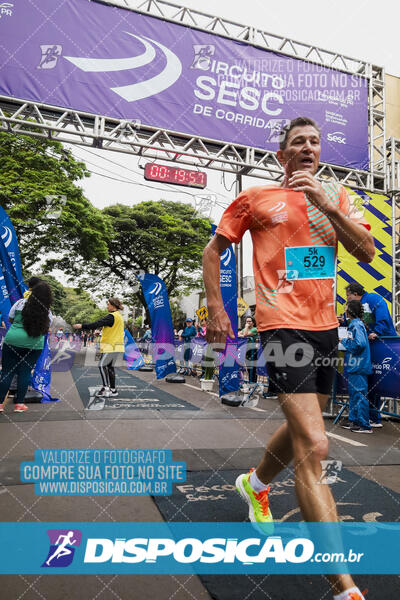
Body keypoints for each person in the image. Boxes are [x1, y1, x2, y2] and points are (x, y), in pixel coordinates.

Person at [202, 116, 374, 600]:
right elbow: (212, 252)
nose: (307, 148)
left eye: (314, 142)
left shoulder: (338, 197)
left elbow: (365, 251)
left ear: (321, 153)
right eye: (297, 142)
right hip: (280, 324)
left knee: (305, 426)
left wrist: (325, 204)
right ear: (282, 156)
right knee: (316, 446)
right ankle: (344, 587)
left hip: (325, 328)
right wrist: (218, 310)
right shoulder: (256, 199)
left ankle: (255, 482)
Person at [345, 281, 397, 427]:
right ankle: (371, 417)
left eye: (348, 295)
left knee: (377, 380)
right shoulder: (357, 312)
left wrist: (377, 332)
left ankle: (372, 418)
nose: (347, 298)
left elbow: (383, 319)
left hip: (384, 343)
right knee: (371, 382)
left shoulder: (373, 298)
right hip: (371, 343)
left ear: (355, 294)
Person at [0, 281, 53, 413]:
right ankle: (19, 405)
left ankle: (0, 404)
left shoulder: (19, 303)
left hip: (13, 341)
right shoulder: (47, 310)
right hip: (34, 345)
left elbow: (10, 318)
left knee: (7, 372)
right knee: (25, 372)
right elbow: (48, 326)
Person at [74, 297, 124, 398]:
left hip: (111, 347)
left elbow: (96, 324)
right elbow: (112, 329)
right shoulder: (118, 316)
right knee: (110, 368)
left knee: (102, 365)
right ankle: (113, 390)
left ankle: (106, 389)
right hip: (116, 346)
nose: (107, 306)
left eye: (108, 304)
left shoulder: (111, 316)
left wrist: (81, 326)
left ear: (113, 306)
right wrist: (100, 333)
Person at [340, 300, 373, 433]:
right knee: (354, 395)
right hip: (355, 365)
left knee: (359, 395)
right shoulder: (355, 324)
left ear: (350, 311)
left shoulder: (356, 325)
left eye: (346, 308)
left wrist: (344, 341)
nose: (344, 311)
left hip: (359, 365)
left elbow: (360, 344)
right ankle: (354, 420)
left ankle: (364, 425)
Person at [238, 315, 258, 384]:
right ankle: (250, 382)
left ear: (253, 323)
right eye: (247, 321)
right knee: (248, 367)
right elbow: (238, 334)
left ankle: (253, 383)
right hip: (246, 350)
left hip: (253, 350)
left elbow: (245, 334)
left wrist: (245, 328)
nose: (248, 323)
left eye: (249, 321)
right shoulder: (245, 329)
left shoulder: (254, 329)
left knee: (252, 367)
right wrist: (243, 334)